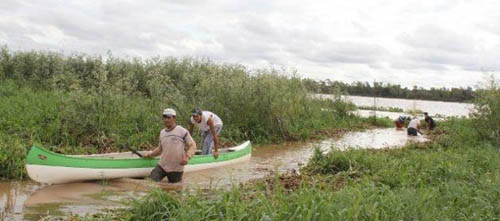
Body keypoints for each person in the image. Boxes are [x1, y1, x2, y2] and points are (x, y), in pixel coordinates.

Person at [143, 108, 196, 183]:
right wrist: (149, 154)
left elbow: (192, 145)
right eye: (164, 118)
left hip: (176, 168)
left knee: (175, 189)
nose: (166, 120)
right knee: (150, 183)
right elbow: (159, 149)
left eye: (168, 117)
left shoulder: (181, 131)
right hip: (162, 166)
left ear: (174, 118)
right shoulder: (162, 133)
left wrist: (187, 157)